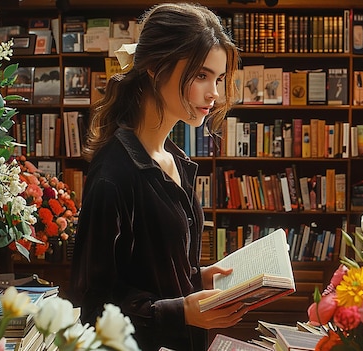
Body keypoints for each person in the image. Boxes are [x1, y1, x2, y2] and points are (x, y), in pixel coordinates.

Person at [70, 3, 245, 350]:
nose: (215, 93)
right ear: (154, 67)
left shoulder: (176, 161)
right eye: (201, 76)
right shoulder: (113, 175)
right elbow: (92, 307)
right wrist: (180, 311)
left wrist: (197, 277)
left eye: (219, 79)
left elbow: (147, 272)